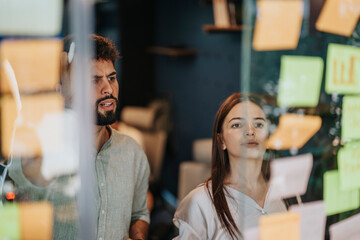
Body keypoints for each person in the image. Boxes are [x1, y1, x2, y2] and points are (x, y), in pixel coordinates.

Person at [9, 34, 150, 240]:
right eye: (94, 80)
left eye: (111, 78)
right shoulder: (42, 151)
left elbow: (139, 214)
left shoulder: (132, 151)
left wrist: (137, 236)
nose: (108, 89)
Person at [173, 92, 286, 240]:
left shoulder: (285, 192)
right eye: (237, 125)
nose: (250, 131)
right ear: (221, 141)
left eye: (258, 124)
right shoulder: (200, 203)